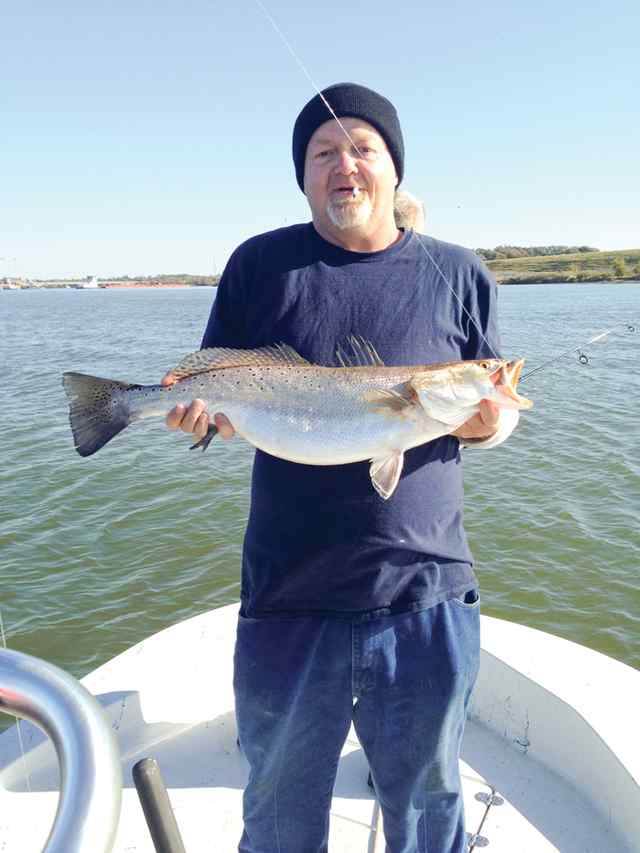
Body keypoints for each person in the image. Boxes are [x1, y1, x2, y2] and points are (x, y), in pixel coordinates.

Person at [164, 82, 519, 853]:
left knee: (429, 815)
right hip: (288, 601)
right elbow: (215, 382)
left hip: (425, 599)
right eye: (323, 153)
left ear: (395, 169)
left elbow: (495, 406)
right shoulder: (261, 264)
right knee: (281, 820)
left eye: (363, 147)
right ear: (304, 177)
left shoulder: (461, 273)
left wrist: (491, 421)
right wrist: (201, 415)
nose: (344, 164)